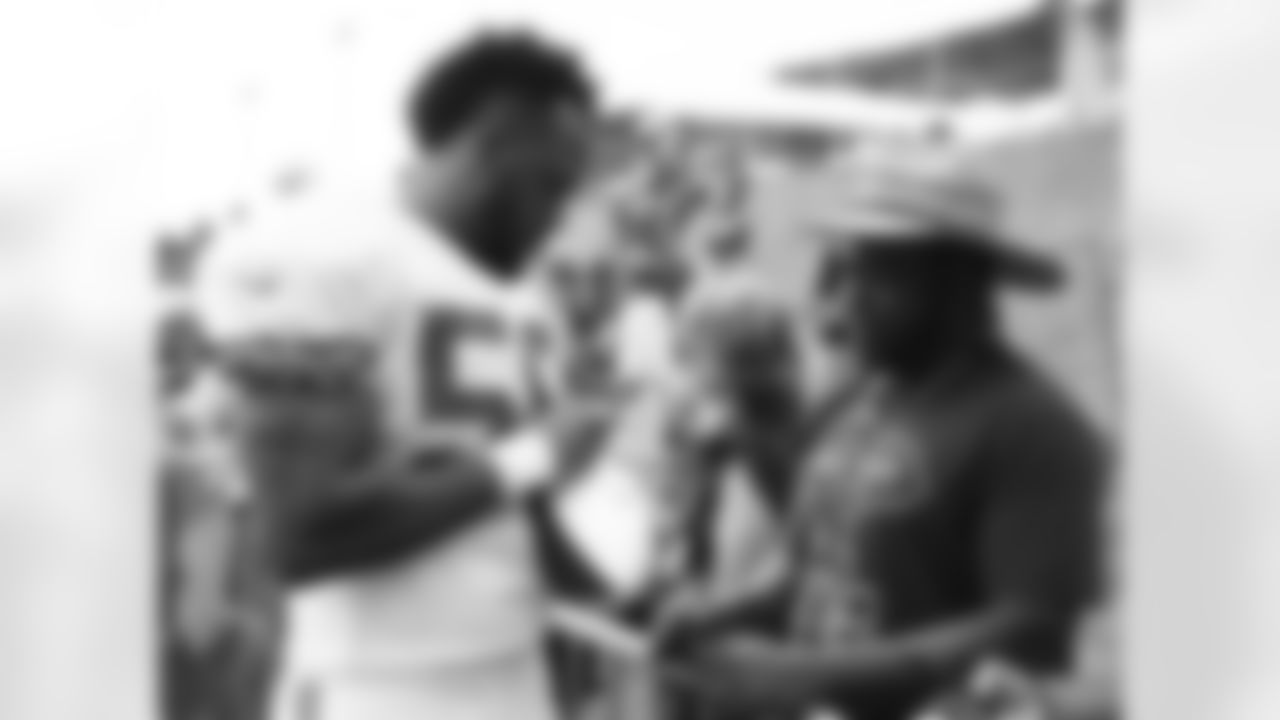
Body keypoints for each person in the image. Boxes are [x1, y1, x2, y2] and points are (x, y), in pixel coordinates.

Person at [190, 30, 648, 720]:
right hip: (382, 686)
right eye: (549, 185)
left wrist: (606, 565)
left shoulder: (519, 292)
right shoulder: (328, 250)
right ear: (494, 140)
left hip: (514, 667)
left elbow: (516, 498)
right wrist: (536, 455)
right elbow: (302, 535)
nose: (557, 217)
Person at [660, 147, 1109, 720]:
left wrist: (805, 674)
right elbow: (817, 570)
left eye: (880, 270)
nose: (849, 299)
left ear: (954, 279)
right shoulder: (864, 400)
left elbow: (1031, 626)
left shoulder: (1032, 426)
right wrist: (723, 615)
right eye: (850, 269)